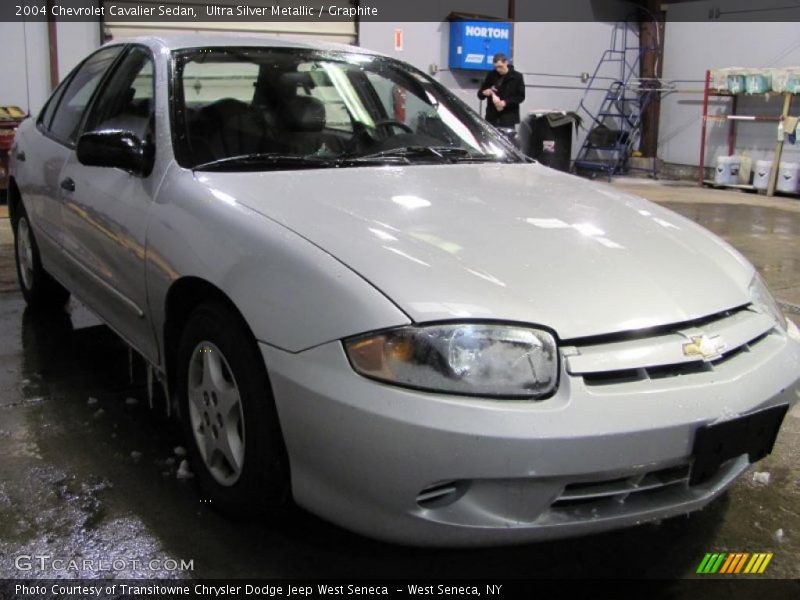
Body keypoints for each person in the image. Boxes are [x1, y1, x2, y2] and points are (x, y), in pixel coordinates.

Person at [477, 53, 525, 145]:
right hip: (492, 117)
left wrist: (505, 102)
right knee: (491, 143)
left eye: (500, 66)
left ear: (506, 62)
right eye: (496, 67)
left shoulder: (517, 77)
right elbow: (480, 95)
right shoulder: (491, 75)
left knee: (508, 143)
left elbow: (520, 96)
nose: (498, 70)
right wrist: (484, 92)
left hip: (508, 117)